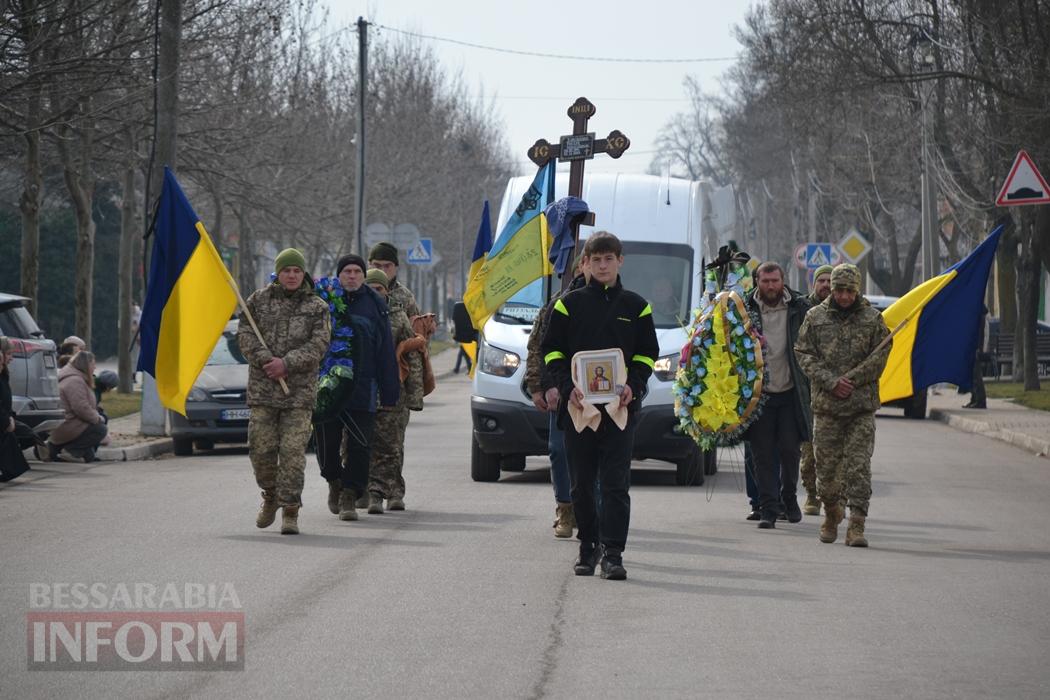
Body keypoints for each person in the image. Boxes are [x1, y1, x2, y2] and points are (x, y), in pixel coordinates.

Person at [541, 231, 659, 581]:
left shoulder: (637, 306)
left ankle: (613, 553)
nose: (603, 265)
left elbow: (647, 354)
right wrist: (566, 387)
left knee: (614, 484)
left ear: (620, 261)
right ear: (587, 263)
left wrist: (633, 386)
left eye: (609, 259)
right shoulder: (568, 304)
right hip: (578, 412)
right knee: (581, 484)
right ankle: (587, 546)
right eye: (597, 260)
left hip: (620, 412)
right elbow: (552, 351)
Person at [795, 263, 891, 547]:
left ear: (857, 289)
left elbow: (881, 356)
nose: (845, 296)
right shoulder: (815, 317)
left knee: (858, 468)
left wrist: (852, 379)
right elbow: (803, 353)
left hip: (860, 408)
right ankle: (831, 512)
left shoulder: (873, 320)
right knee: (825, 471)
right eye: (839, 290)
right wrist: (830, 381)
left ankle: (857, 525)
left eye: (850, 291)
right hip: (826, 408)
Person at [238, 248, 330, 535]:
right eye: (287, 270)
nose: (292, 275)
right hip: (263, 391)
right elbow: (244, 333)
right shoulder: (258, 301)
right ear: (278, 272)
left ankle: (291, 509)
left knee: (292, 454)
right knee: (261, 451)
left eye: (297, 271)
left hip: (298, 395)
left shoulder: (317, 307)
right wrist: (265, 359)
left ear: (304, 274)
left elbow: (319, 345)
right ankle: (270, 495)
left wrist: (286, 364)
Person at [313, 254, 400, 522]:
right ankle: (334, 481)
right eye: (347, 271)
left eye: (357, 272)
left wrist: (389, 391)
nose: (352, 276)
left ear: (364, 275)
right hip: (329, 387)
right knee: (326, 447)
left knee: (361, 447)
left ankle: (350, 493)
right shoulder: (324, 300)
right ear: (339, 275)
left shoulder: (374, 305)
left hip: (363, 387)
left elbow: (385, 350)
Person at [743, 261, 812, 529]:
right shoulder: (745, 310)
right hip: (759, 395)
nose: (770, 286)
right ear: (757, 282)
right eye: (765, 281)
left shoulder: (799, 308)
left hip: (791, 392)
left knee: (789, 450)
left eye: (775, 281)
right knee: (761, 453)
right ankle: (768, 509)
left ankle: (788, 497)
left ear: (783, 281)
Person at [525, 254, 589, 538]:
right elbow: (539, 347)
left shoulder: (614, 303)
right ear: (579, 268)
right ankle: (565, 509)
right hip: (562, 392)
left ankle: (591, 512)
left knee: (593, 456)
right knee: (560, 452)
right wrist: (540, 386)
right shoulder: (557, 305)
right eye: (588, 262)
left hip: (597, 393)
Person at [364, 268, 424, 512]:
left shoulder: (398, 318)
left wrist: (415, 394)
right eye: (370, 289)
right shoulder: (357, 314)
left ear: (386, 291)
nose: (375, 293)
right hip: (364, 391)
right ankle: (371, 491)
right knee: (362, 444)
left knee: (391, 445)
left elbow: (413, 356)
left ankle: (391, 492)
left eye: (379, 289)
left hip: (392, 391)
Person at [799, 263, 833, 515]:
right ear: (814, 283)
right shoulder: (802, 309)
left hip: (834, 392)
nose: (826, 285)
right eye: (821, 280)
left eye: (830, 280)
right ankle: (811, 493)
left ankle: (832, 497)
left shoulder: (845, 311)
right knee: (808, 450)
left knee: (832, 452)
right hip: (805, 390)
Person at [46, 351, 108, 463]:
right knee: (100, 429)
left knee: (89, 457)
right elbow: (81, 408)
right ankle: (70, 451)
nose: (95, 367)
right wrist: (97, 418)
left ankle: (53, 450)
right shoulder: (75, 381)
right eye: (93, 364)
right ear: (86, 365)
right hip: (68, 424)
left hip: (66, 424)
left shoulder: (74, 378)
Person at [1, 336, 31, 481]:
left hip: (6, 417)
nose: (11, 358)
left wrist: (11, 417)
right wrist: (7, 420)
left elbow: (6, 402)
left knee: (28, 434)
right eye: (8, 354)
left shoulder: (3, 375)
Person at [963, 303, 989, 409]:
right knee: (973, 375)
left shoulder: (979, 318)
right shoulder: (977, 316)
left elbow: (980, 335)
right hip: (973, 348)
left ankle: (980, 401)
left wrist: (979, 349)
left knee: (976, 375)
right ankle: (974, 399)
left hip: (976, 349)